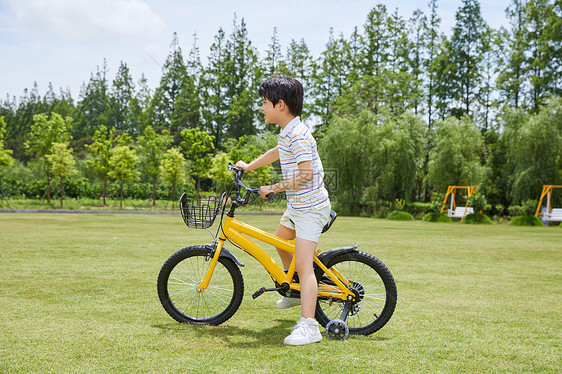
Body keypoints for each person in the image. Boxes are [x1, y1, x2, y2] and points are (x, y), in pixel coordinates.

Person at [235, 76, 331, 346]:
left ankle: (310, 326)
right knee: (280, 242)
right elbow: (276, 152)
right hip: (297, 206)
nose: (261, 108)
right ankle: (296, 291)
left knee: (303, 264)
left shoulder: (298, 135)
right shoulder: (289, 131)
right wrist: (249, 166)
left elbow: (306, 174)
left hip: (310, 209)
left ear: (280, 105)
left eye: (264, 103)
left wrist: (273, 188)